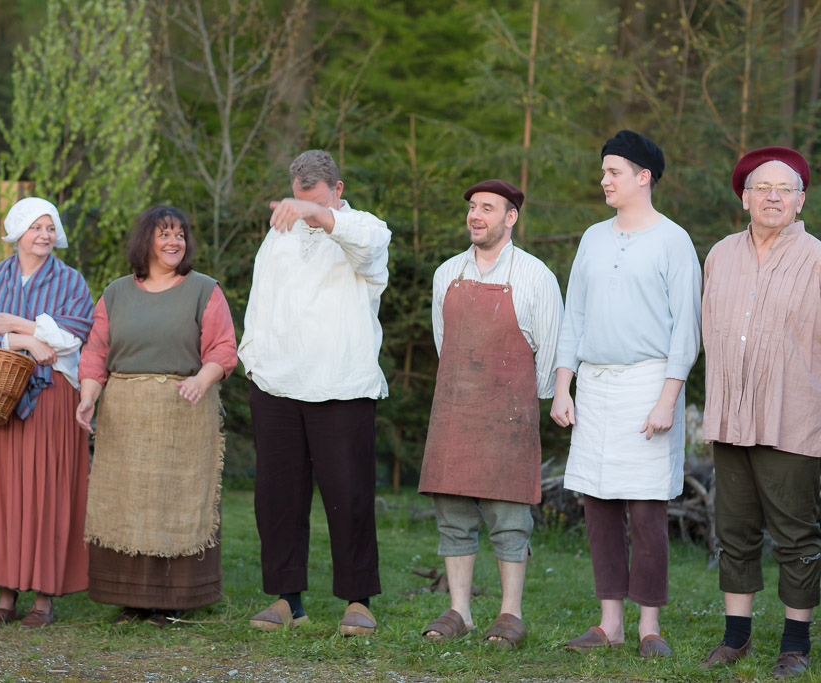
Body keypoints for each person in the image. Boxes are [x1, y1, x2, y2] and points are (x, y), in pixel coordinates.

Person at [550, 130, 701, 658]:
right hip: (595, 384)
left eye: (614, 171)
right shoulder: (593, 238)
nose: (604, 180)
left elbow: (686, 330)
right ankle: (609, 624)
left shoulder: (673, 241)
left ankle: (648, 627)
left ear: (644, 176)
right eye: (603, 171)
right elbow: (573, 316)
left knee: (646, 508)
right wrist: (563, 386)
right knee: (599, 504)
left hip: (647, 383)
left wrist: (667, 399)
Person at [239, 150, 390, 635]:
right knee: (277, 498)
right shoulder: (278, 236)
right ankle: (288, 600)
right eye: (299, 201)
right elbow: (261, 298)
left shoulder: (365, 229)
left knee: (349, 494)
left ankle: (358, 601)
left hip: (341, 383)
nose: (304, 212)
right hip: (276, 384)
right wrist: (251, 358)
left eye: (316, 201)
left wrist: (318, 215)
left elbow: (367, 248)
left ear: (338, 190)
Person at [76, 205, 237, 625]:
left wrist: (202, 380)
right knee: (127, 503)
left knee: (175, 501)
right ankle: (130, 598)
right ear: (145, 241)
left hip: (183, 412)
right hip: (125, 415)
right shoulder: (115, 293)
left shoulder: (204, 289)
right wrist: (89, 396)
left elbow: (223, 348)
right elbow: (95, 352)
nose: (173, 242)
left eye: (180, 234)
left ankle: (173, 600)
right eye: (164, 234)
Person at [418, 180, 562, 646]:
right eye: (472, 208)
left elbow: (551, 348)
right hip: (454, 409)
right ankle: (460, 611)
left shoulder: (536, 275)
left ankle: (510, 613)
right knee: (452, 514)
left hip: (509, 414)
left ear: (510, 217)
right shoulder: (447, 273)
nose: (476, 216)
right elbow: (444, 343)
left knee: (510, 517)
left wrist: (533, 403)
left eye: (487, 208)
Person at [698, 147, 821, 679]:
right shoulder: (720, 254)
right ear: (744, 198)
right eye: (762, 188)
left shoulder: (816, 259)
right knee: (735, 530)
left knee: (795, 536)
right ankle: (736, 637)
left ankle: (795, 644)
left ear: (800, 201)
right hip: (731, 415)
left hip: (793, 416)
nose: (773, 197)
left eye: (784, 189)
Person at [0, 197, 94, 628]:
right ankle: (5, 599)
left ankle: (44, 601)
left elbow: (75, 335)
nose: (44, 235)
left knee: (46, 493)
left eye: (50, 228)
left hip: (52, 396)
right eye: (36, 227)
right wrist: (28, 342)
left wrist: (16, 323)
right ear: (17, 231)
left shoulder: (70, 280)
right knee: (2, 495)